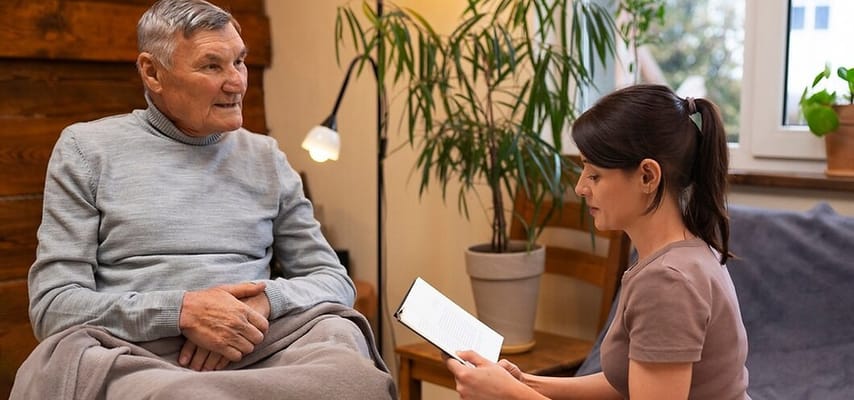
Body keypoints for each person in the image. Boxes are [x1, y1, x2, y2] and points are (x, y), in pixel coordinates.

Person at [11, 1, 395, 398]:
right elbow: (54, 305)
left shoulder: (266, 157)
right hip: (136, 353)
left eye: (240, 62)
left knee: (351, 366)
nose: (237, 82)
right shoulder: (86, 150)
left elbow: (334, 280)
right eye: (212, 66)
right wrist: (181, 312)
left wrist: (263, 303)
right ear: (152, 72)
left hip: (260, 342)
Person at [444, 84, 750, 400]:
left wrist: (509, 395)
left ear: (648, 176)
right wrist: (527, 383)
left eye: (594, 176)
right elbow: (632, 381)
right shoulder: (684, 254)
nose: (579, 188)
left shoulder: (666, 282)